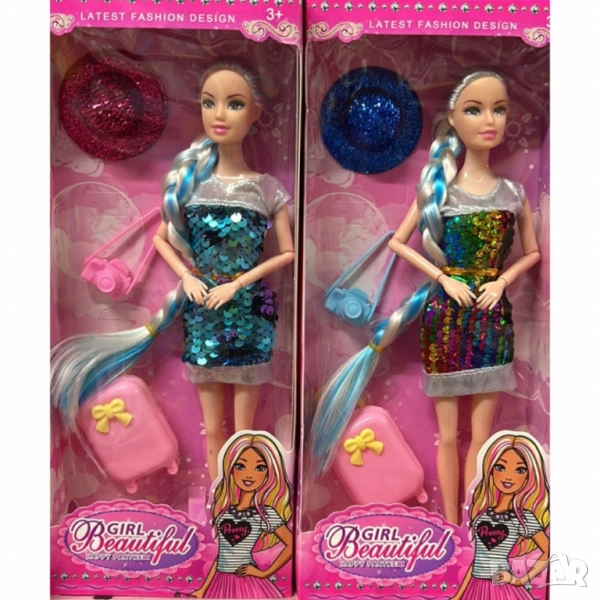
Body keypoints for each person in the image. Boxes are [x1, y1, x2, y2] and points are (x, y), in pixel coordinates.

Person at [310, 71, 540, 525]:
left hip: (491, 318)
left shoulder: (512, 194)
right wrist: (442, 277)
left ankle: (477, 523)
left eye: (499, 109)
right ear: (452, 119)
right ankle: (452, 525)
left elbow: (532, 253)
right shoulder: (437, 192)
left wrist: (501, 281)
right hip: (446, 318)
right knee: (449, 436)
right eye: (474, 110)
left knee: (482, 437)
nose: (489, 120)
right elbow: (398, 243)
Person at [51, 57, 295, 481]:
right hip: (203, 311)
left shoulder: (267, 188)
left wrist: (237, 283)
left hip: (250, 314)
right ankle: (218, 498)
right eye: (209, 103)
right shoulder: (191, 185)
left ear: (257, 112)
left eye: (235, 104)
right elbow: (161, 239)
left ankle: (241, 501)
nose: (219, 115)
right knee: (212, 427)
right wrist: (186, 276)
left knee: (245, 431)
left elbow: (287, 254)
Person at [175, 432, 293, 598]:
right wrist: (202, 590)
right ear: (230, 469)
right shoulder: (226, 510)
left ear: (269, 473)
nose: (249, 475)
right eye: (240, 466)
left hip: (246, 579)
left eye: (260, 468)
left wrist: (264, 573)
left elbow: (290, 544)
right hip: (220, 579)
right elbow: (222, 555)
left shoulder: (265, 512)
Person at [451, 433, 550, 599]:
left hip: (501, 587)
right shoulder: (483, 513)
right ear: (490, 469)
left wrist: (519, 580)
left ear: (529, 475)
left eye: (520, 470)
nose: (509, 476)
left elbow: (547, 550)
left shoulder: (523, 517)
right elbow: (477, 560)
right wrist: (458, 595)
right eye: (500, 467)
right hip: (476, 586)